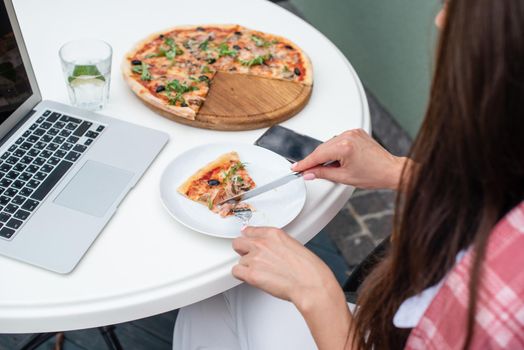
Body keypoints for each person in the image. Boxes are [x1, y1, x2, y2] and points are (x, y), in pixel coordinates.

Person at [173, 0, 524, 348]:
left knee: (212, 302)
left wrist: (318, 293)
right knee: (210, 305)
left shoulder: (505, 296)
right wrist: (400, 171)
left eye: (459, 10)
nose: (441, 19)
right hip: (394, 316)